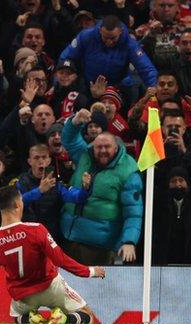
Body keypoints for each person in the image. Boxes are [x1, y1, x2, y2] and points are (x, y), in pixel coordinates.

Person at [0, 185, 105, 324]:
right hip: (51, 287)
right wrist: (90, 271)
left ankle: (30, 319)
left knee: (17, 316)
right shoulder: (36, 230)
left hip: (23, 296)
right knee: (88, 316)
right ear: (18, 204)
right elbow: (60, 259)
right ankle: (65, 319)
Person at [60, 109, 143, 265]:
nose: (103, 151)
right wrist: (75, 121)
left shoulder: (128, 172)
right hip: (69, 238)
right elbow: (69, 140)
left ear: (116, 148)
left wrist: (129, 241)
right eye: (99, 147)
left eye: (107, 147)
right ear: (93, 147)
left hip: (99, 247)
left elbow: (133, 212)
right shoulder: (85, 155)